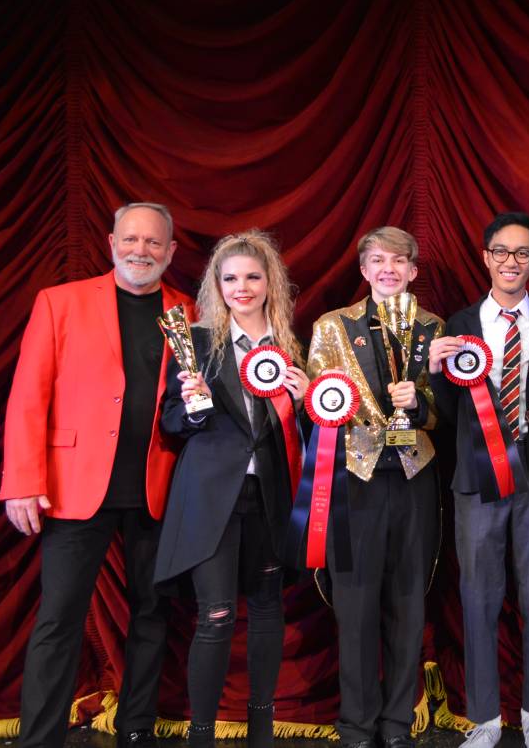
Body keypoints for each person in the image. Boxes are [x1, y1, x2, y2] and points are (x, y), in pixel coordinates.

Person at [0, 203, 190, 747]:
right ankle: (40, 739)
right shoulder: (59, 302)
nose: (141, 251)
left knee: (153, 616)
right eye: (131, 240)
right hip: (72, 486)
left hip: (159, 488)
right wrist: (22, 480)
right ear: (111, 242)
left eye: (154, 243)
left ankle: (135, 732)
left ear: (171, 252)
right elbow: (28, 397)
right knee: (59, 619)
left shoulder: (188, 314)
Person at [152, 230, 308, 747]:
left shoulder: (287, 345)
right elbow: (172, 422)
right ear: (217, 285)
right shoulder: (195, 341)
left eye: (252, 277)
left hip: (269, 496)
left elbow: (299, 430)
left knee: (267, 609)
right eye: (231, 278)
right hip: (210, 500)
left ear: (270, 284)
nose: (242, 287)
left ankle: (261, 729)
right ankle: (202, 735)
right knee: (216, 614)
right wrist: (193, 405)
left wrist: (307, 400)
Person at [428, 212, 529, 748]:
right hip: (477, 480)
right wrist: (435, 375)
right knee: (478, 597)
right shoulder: (455, 326)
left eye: (523, 253)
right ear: (485, 257)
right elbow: (442, 413)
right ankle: (484, 717)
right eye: (502, 252)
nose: (512, 262)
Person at [306, 226, 443, 748]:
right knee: (357, 607)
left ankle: (397, 724)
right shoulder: (332, 327)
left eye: (399, 260)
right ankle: (358, 726)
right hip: (353, 481)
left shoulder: (435, 328)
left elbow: (446, 410)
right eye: (378, 260)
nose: (389, 268)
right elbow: (320, 404)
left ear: (413, 270)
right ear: (363, 270)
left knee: (409, 604)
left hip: (413, 479)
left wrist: (422, 403)